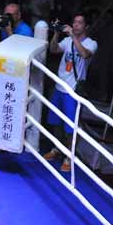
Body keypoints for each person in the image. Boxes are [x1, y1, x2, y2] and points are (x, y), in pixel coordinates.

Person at [43, 13, 97, 172]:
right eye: (74, 22)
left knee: (70, 127)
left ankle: (69, 155)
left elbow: (85, 54)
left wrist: (73, 36)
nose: (75, 25)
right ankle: (56, 148)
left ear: (86, 27)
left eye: (80, 23)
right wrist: (56, 33)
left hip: (73, 90)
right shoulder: (67, 41)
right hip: (59, 87)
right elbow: (53, 50)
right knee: (55, 122)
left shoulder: (91, 43)